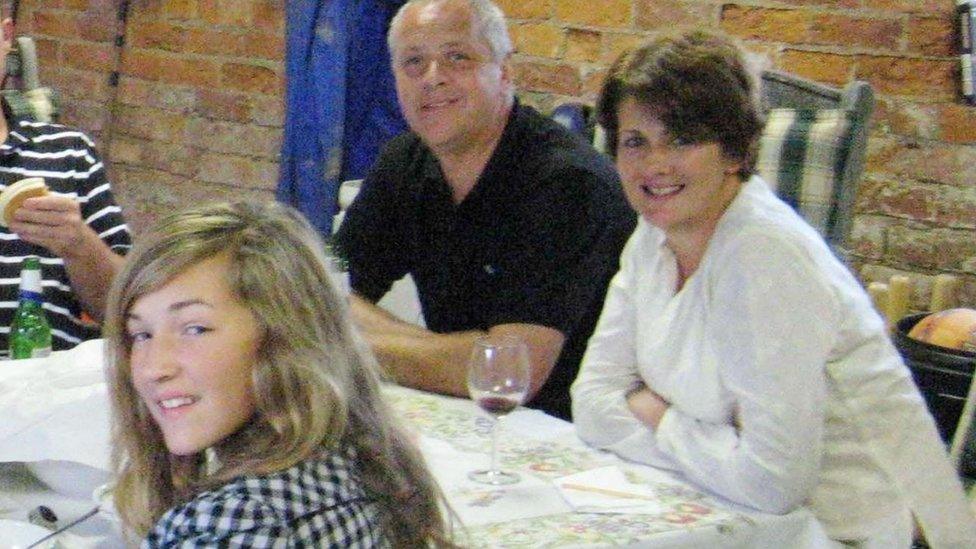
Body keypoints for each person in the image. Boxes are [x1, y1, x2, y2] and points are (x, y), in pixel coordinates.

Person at [570, 29, 976, 547]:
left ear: (735, 150)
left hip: (861, 531)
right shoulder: (653, 236)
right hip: (729, 511)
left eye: (683, 138)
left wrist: (656, 412)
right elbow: (591, 402)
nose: (655, 165)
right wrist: (718, 448)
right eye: (635, 142)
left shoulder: (765, 255)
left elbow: (772, 483)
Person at [334, 0, 635, 420]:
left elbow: (512, 374)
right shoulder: (405, 161)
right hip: (469, 421)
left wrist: (344, 341)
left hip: (576, 442)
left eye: (457, 57)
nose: (433, 79)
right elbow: (326, 290)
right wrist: (448, 354)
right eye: (413, 62)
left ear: (504, 70)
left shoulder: (566, 183)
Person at [104, 201, 452, 546]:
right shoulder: (356, 457)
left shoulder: (235, 523)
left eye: (194, 329)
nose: (153, 368)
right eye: (142, 335)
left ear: (285, 337)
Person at [0, 6, 130, 350]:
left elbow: (124, 310)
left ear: (6, 37)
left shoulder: (69, 154)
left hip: (46, 390)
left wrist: (78, 244)